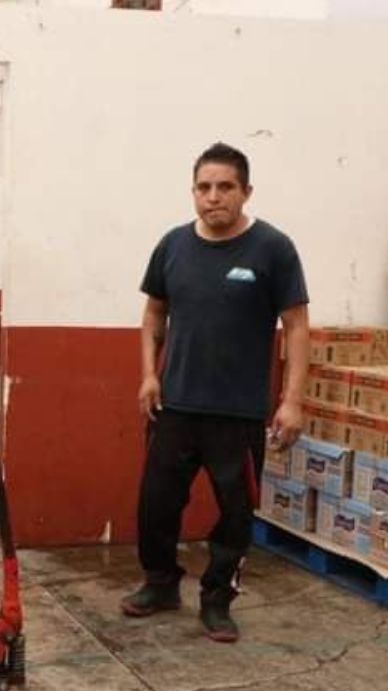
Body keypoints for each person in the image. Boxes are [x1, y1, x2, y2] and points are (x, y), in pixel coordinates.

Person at [122, 142, 310, 643]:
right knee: (156, 505)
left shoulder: (273, 248)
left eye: (225, 187)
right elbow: (153, 315)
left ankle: (217, 599)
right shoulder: (172, 245)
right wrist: (149, 375)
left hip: (238, 413)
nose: (213, 197)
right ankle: (160, 583)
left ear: (246, 191)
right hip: (174, 407)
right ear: (193, 192)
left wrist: (292, 401)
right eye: (203, 187)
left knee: (236, 514)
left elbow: (296, 326)